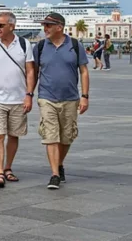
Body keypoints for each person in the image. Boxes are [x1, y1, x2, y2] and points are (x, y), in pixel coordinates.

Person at [31, 12, 90, 190]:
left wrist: (85, 96)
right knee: (51, 136)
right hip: (46, 97)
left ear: (60, 27)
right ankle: (54, 174)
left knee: (66, 137)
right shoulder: (40, 47)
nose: (45, 28)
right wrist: (29, 94)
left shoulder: (74, 45)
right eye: (44, 25)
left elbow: (84, 71)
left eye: (48, 25)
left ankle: (59, 164)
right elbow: (33, 73)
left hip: (71, 98)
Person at [0, 12, 36, 188]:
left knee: (14, 135)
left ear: (11, 26)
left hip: (18, 98)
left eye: (1, 25)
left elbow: (30, 71)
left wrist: (29, 95)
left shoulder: (23, 44)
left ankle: (8, 167)